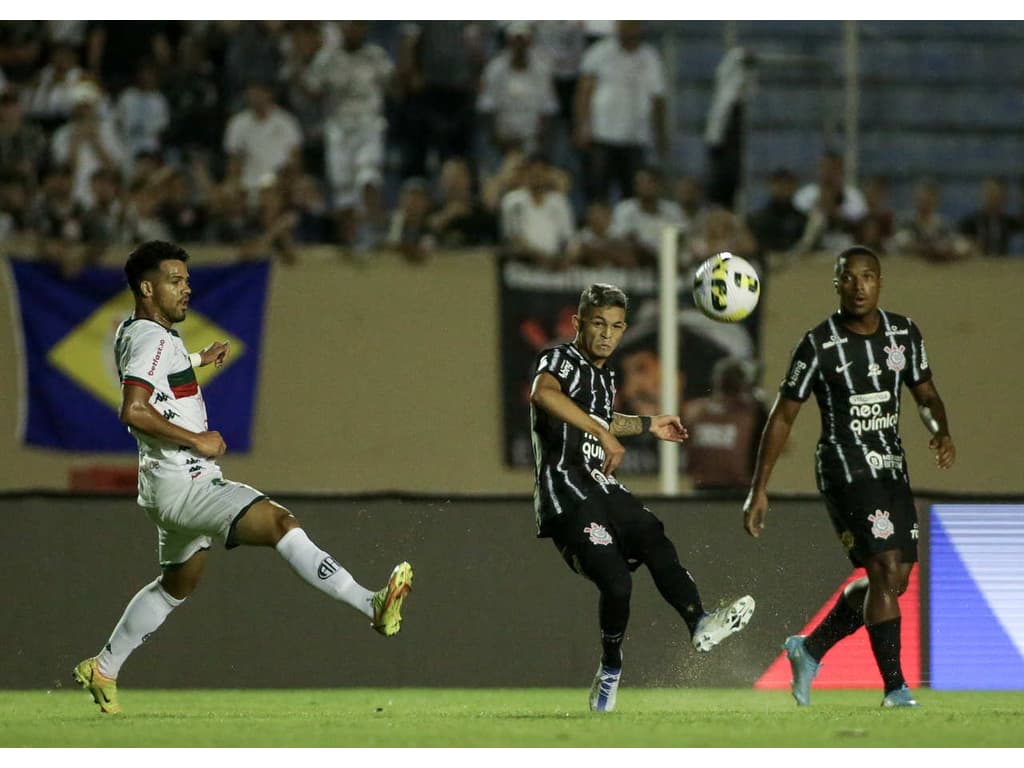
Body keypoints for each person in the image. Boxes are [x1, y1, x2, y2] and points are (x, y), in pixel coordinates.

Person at [73, 240, 413, 714]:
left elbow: (157, 375)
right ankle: (371, 605)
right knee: (279, 524)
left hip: (160, 484)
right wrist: (198, 440)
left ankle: (104, 666)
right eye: (175, 281)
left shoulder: (139, 332)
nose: (185, 290)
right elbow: (133, 410)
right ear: (146, 288)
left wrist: (196, 361)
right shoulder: (151, 339)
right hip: (186, 477)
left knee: (177, 583)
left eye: (187, 281)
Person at [742, 245, 955, 709]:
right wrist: (759, 488)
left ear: (880, 282)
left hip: (891, 466)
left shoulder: (903, 334)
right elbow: (782, 416)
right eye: (849, 278)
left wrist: (940, 429)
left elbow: (926, 394)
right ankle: (896, 689)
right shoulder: (817, 344)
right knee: (880, 567)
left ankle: (810, 649)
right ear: (836, 284)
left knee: (894, 581)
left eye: (868, 277)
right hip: (844, 466)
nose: (858, 287)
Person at [529, 283, 755, 713]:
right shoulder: (559, 359)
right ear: (578, 324)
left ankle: (700, 622)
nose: (606, 335)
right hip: (565, 492)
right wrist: (599, 433)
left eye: (615, 326)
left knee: (652, 533)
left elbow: (603, 418)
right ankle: (610, 671)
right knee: (617, 583)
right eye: (597, 324)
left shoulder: (604, 375)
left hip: (601, 484)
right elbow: (544, 394)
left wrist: (647, 424)